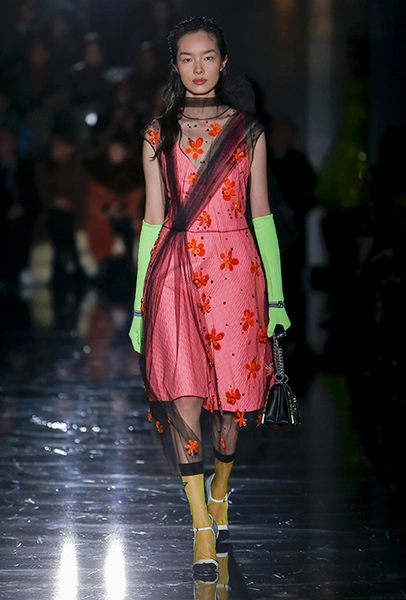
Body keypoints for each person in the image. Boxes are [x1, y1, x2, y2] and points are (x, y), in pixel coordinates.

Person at [128, 17, 290, 582]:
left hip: (235, 274)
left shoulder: (249, 132)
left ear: (223, 62)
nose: (198, 68)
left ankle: (221, 487)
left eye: (208, 57)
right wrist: (139, 304)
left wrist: (277, 299)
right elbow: (152, 221)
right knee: (185, 396)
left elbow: (262, 215)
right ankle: (201, 522)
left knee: (229, 404)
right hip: (174, 272)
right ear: (175, 66)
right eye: (187, 58)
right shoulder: (157, 134)